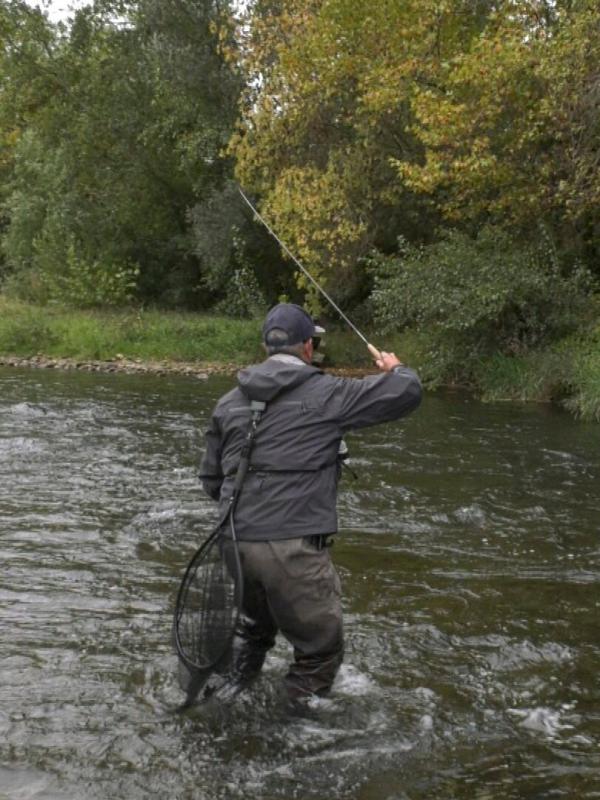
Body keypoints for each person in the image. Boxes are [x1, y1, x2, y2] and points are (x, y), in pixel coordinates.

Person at [198, 302, 421, 704]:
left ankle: (227, 708)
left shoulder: (228, 402)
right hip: (293, 549)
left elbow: (211, 481)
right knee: (319, 653)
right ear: (307, 349)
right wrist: (395, 368)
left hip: (233, 542)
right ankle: (291, 739)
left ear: (266, 347)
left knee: (252, 633)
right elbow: (407, 392)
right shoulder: (328, 392)